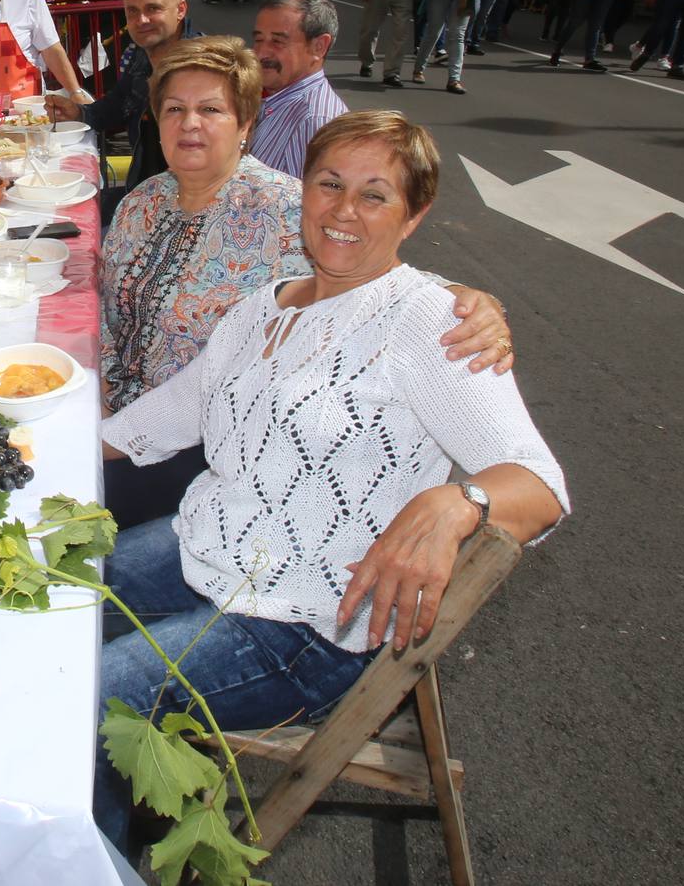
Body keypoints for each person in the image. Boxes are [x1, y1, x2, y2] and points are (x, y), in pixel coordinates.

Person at [93, 109, 570, 859]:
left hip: (305, 624)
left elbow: (540, 484)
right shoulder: (269, 303)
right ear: (303, 189)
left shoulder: (428, 321)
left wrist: (459, 501)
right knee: (51, 597)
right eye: (329, 184)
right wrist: (57, 449)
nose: (344, 211)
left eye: (375, 195)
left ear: (413, 217)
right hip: (212, 548)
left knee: (88, 698)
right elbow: (185, 403)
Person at [99, 40, 516, 529]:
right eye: (175, 109)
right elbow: (110, 319)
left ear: (245, 125)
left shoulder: (284, 210)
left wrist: (475, 303)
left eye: (210, 109)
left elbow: (376, 270)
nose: (189, 123)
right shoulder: (142, 203)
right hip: (120, 416)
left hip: (209, 449)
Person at [47, 0, 197, 205]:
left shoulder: (204, 71)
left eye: (153, 9)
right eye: (132, 11)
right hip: (144, 192)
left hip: (183, 205)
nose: (141, 20)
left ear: (180, 10)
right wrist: (78, 112)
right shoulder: (142, 55)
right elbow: (117, 105)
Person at [249, 0, 349, 179]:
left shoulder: (316, 122)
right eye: (258, 39)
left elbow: (311, 206)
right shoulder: (267, 96)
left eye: (277, 42)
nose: (261, 53)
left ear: (319, 47)